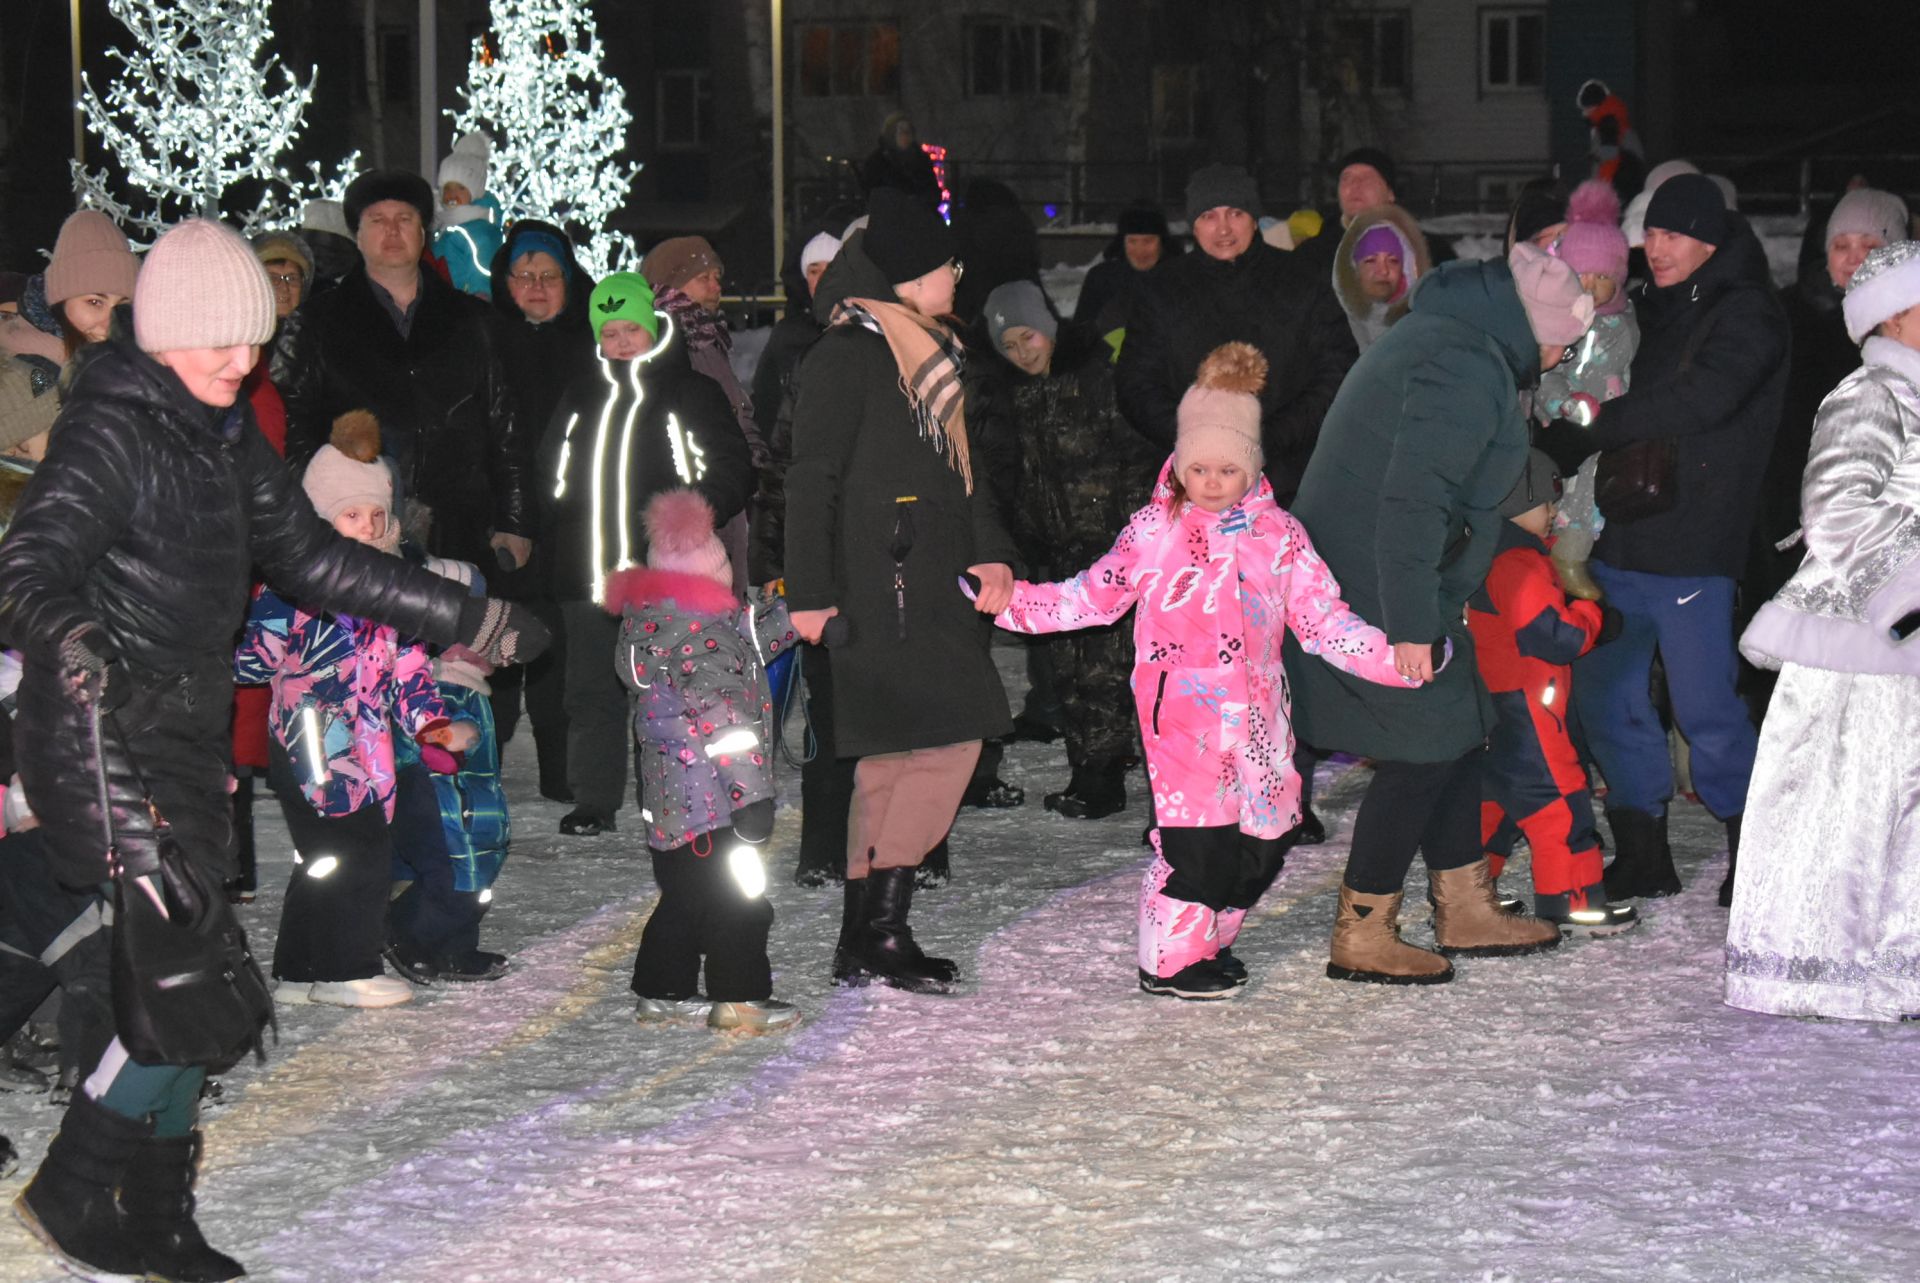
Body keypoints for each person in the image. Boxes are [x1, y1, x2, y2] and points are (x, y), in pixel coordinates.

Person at [0, 217, 546, 1283]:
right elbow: (28, 568)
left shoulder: (220, 432)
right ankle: (81, 1182)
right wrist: (71, 635)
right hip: (98, 743)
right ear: (159, 334)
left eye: (251, 342)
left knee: (164, 992)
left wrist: (467, 618)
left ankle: (151, 1207)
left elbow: (312, 557)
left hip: (186, 744)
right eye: (216, 342)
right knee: (191, 981)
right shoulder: (112, 429)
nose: (239, 362)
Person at [993, 343, 1425, 998]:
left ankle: (1207, 942)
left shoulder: (1279, 535)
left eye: (1229, 467)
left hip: (1259, 721)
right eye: (1199, 467)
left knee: (1267, 839)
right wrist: (1013, 601)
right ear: (1180, 465)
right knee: (1197, 848)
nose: (1214, 481)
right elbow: (1091, 595)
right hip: (1183, 719)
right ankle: (1168, 963)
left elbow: (1322, 621)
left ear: (1252, 465)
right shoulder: (1154, 530)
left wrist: (1396, 659)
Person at [1287, 243, 1594, 985]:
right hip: (1374, 584)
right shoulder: (1463, 364)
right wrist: (1412, 625)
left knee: (1459, 729)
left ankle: (1465, 906)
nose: (1557, 357)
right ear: (1533, 322)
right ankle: (1363, 930)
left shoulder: (1461, 340)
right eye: (1560, 340)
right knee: (1422, 744)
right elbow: (1413, 500)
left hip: (1392, 575)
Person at [784, 189, 1019, 994]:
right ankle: (880, 928)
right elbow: (808, 479)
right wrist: (808, 594)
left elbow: (965, 473)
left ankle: (867, 936)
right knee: (954, 737)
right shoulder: (848, 354)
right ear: (911, 276)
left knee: (890, 763)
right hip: (878, 588)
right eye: (946, 265)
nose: (958, 276)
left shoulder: (933, 351)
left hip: (934, 584)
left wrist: (991, 551)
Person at [1569, 173, 1790, 906]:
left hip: (1696, 542)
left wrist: (1598, 422)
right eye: (1650, 233)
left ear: (1708, 239)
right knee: (1611, 696)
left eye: (1671, 234)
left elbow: (1705, 397)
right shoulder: (1652, 311)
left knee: (1706, 709)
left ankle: (1756, 853)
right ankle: (1642, 851)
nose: (1653, 247)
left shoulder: (1748, 312)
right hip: (1624, 536)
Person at [1728, 241, 1920, 1019]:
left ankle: (1900, 966)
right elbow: (1835, 513)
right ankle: (1833, 966)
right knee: (1855, 803)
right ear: (1897, 315)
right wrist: (1904, 598)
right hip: (1866, 646)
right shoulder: (1869, 396)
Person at [236, 411, 481, 1008]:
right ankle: (347, 967)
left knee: (326, 857)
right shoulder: (291, 591)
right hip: (313, 739)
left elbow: (407, 669)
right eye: (352, 515)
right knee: (360, 850)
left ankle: (301, 967)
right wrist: (240, 633)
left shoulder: (392, 590)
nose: (369, 528)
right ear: (320, 523)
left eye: (378, 516)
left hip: (367, 745)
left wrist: (432, 724)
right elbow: (251, 663)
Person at [542, 271, 753, 837]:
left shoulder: (686, 391)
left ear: (654, 327)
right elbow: (552, 471)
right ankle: (594, 798)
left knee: (672, 693)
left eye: (631, 328)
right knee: (590, 690)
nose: (622, 342)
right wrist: (559, 508)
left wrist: (694, 512)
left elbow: (732, 466)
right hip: (589, 571)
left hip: (668, 580)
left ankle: (681, 793)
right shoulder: (582, 395)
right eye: (610, 333)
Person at [276, 168, 536, 572]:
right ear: (357, 236)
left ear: (423, 232)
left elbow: (507, 425)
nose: (392, 231)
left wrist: (514, 520)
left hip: (463, 526)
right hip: (359, 528)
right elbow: (295, 427)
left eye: (405, 219)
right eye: (377, 221)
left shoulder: (474, 320)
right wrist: (317, 514)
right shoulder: (317, 322)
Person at [612, 490, 800, 1032]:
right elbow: (727, 727)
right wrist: (752, 800)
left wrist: (794, 619)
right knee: (740, 902)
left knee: (685, 899)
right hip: (715, 805)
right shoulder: (705, 643)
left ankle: (662, 989)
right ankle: (739, 996)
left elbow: (745, 639)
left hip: (671, 804)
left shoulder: (666, 626)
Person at [974, 279, 1158, 818]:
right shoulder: (1010, 395)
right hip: (1052, 552)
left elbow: (1138, 457)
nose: (1021, 352)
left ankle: (1103, 776)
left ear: (1049, 328)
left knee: (1107, 666)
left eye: (1028, 337)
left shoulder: (1101, 378)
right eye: (1008, 345)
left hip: (1110, 551)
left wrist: (1131, 540)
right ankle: (1092, 766)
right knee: (1067, 670)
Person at [1117, 163, 1358, 507]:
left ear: (1255, 217)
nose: (1224, 229)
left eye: (1236, 213)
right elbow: (1135, 383)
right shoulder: (1161, 290)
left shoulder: (1302, 283)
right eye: (1209, 216)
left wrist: (1265, 438)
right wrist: (1198, 440)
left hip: (1288, 484)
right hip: (1191, 487)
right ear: (1193, 224)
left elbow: (1335, 375)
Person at [1469, 450, 1638, 933]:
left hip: (1492, 706)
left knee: (1494, 808)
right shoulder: (1520, 563)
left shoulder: (1482, 553)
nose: (1552, 514)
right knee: (1560, 803)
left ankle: (1468, 895)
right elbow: (1552, 636)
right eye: (1545, 502)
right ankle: (1573, 900)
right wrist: (1592, 616)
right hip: (1529, 707)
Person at [1748, 188, 1911, 649]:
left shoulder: (1908, 328)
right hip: (1796, 517)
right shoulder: (1788, 318)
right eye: (1842, 246)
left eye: (1870, 246)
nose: (1854, 258)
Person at [485, 219, 598, 804]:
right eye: (523, 275)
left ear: (568, 282)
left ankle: (562, 771)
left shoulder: (591, 346)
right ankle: (487, 762)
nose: (535, 286)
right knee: (496, 643)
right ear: (505, 282)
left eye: (548, 275)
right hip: (500, 514)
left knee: (560, 652)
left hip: (570, 521)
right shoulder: (484, 339)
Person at [1529, 180, 1642, 602]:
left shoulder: (1626, 319)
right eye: (1582, 275)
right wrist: (1563, 402)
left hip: (1608, 426)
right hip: (1566, 424)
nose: (1592, 286)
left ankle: (1575, 557)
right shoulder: (1563, 321)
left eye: (1603, 276)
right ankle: (1565, 559)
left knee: (1594, 492)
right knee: (1566, 496)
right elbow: (1544, 371)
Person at [1073, 202, 1177, 348]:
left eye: (1148, 241)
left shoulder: (1178, 278)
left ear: (1162, 242)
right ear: (1122, 242)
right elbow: (1080, 335)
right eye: (1132, 241)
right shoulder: (1102, 279)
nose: (1140, 251)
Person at [1331, 202, 1431, 352]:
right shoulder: (1329, 325)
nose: (1383, 270)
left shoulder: (1427, 328)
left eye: (1393, 261)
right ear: (1354, 268)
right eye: (1371, 260)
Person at [42, 210, 139, 360]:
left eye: (122, 306)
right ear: (60, 301)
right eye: (94, 302)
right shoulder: (27, 371)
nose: (110, 324)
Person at [432, 132, 504, 300]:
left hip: (466, 306)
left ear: (475, 192)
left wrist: (478, 298)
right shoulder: (445, 226)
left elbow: (485, 270)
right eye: (447, 188)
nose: (452, 194)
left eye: (460, 188)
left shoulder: (478, 230)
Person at [860, 110, 942, 210]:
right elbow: (872, 194)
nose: (905, 135)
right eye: (901, 131)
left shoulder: (921, 159)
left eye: (908, 131)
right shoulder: (877, 161)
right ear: (891, 134)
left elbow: (933, 191)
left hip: (918, 214)